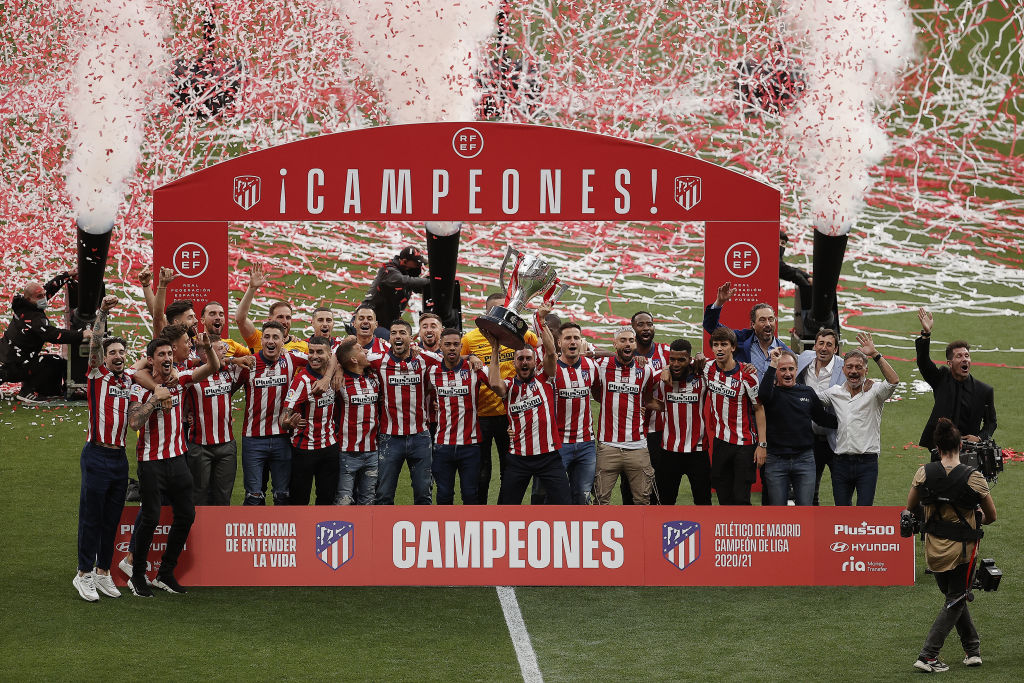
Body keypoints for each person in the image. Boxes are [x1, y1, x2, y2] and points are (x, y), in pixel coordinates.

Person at [125, 332, 220, 597]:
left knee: (187, 515)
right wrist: (155, 398)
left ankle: (165, 573)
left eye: (169, 354)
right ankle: (138, 575)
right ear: (151, 361)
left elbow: (213, 367)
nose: (167, 359)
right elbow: (134, 422)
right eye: (162, 355)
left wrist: (206, 348)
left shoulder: (180, 379)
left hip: (178, 459)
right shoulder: (139, 387)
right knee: (151, 518)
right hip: (151, 462)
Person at [907, 419, 997, 672]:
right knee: (956, 599)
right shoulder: (974, 478)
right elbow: (991, 517)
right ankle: (928, 656)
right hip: (963, 550)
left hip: (933, 550)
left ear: (937, 446)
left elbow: (910, 507)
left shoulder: (923, 472)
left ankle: (972, 649)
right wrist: (974, 515)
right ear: (960, 445)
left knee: (954, 597)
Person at [73, 295, 131, 602]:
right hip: (96, 454)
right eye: (113, 353)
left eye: (122, 352)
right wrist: (102, 314)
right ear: (105, 358)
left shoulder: (129, 382)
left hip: (119, 457)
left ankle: (103, 572)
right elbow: (94, 343)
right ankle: (83, 574)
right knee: (91, 517)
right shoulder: (98, 376)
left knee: (112, 519)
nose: (118, 356)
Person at [461, 292, 540, 504]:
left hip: (512, 414)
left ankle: (507, 512)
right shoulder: (469, 339)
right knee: (482, 470)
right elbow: (454, 358)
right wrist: (469, 356)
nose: (499, 317)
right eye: (494, 311)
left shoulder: (519, 334)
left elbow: (539, 344)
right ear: (486, 313)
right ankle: (480, 514)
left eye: (503, 311)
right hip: (483, 414)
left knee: (511, 468)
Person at [482, 323, 570, 505]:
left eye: (528, 359)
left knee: (565, 505)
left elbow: (552, 353)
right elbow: (493, 383)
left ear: (535, 362)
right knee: (506, 507)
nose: (524, 362)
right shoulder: (509, 386)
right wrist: (495, 349)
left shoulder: (545, 379)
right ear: (514, 363)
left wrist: (542, 322)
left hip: (549, 455)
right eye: (520, 359)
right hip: (518, 458)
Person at [817, 332, 900, 506]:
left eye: (858, 367)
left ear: (866, 370)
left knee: (865, 513)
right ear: (843, 369)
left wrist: (875, 354)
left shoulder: (875, 391)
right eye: (849, 367)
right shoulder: (834, 393)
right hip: (840, 462)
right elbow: (810, 400)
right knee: (842, 513)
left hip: (867, 463)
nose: (853, 371)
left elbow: (893, 381)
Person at [235, 321, 309, 506]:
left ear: (284, 340)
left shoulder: (292, 359)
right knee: (253, 495)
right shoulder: (249, 363)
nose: (270, 341)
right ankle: (253, 535)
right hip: (253, 439)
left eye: (276, 337)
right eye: (266, 337)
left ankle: (281, 535)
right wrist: (231, 360)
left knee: (282, 495)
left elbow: (324, 358)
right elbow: (224, 384)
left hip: (282, 438)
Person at [370, 319, 437, 505]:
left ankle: (422, 532)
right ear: (389, 338)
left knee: (424, 494)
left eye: (402, 333)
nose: (397, 336)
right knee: (383, 494)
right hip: (390, 438)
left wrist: (472, 358)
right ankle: (384, 533)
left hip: (420, 437)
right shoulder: (377, 360)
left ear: (410, 337)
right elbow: (346, 356)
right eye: (393, 333)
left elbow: (450, 357)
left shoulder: (424, 358)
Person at [758, 348, 838, 506]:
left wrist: (850, 419)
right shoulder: (771, 393)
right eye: (782, 370)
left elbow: (822, 419)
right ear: (776, 372)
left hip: (804, 460)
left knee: (805, 511)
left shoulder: (807, 392)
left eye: (790, 369)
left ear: (796, 370)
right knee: (777, 511)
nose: (787, 374)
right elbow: (763, 396)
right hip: (776, 460)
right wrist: (773, 363)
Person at [0, 269, 89, 402]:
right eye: (40, 296)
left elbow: (48, 289)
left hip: (7, 359)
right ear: (29, 299)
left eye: (43, 295)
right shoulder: (33, 317)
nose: (44, 298)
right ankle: (27, 391)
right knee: (52, 362)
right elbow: (53, 335)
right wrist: (81, 335)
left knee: (44, 361)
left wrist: (67, 275)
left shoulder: (25, 305)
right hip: (14, 366)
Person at [915, 308, 996, 452]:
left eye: (967, 355)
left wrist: (980, 438)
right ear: (949, 363)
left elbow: (991, 423)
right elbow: (923, 362)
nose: (965, 359)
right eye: (959, 356)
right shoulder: (941, 378)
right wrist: (926, 334)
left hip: (968, 451)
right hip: (939, 448)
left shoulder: (984, 390)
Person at [592, 326, 657, 505]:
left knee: (643, 500)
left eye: (631, 340)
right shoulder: (601, 367)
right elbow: (597, 393)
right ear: (614, 344)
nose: (627, 344)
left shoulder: (646, 370)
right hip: (608, 447)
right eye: (623, 340)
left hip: (638, 447)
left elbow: (648, 399)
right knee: (600, 500)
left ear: (635, 344)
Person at [703, 326, 766, 505]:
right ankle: (725, 532)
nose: (719, 348)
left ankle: (742, 533)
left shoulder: (747, 375)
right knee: (723, 496)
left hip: (744, 445)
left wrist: (762, 445)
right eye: (716, 345)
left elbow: (759, 409)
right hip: (720, 442)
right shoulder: (707, 368)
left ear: (733, 347)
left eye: (724, 344)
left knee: (741, 498)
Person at [426, 328, 490, 504]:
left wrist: (473, 357)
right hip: (442, 445)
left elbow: (498, 386)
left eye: (456, 345)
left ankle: (471, 531)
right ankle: (445, 530)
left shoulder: (474, 369)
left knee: (470, 494)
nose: (452, 348)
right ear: (440, 346)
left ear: (462, 347)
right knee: (444, 494)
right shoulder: (432, 371)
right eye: (447, 344)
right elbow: (420, 393)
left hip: (470, 445)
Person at [280, 336, 340, 505]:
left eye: (319, 352)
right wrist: (288, 422)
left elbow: (346, 345)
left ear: (329, 354)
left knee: (327, 500)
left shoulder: (332, 371)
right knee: (299, 501)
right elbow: (284, 416)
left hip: (329, 447)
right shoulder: (301, 381)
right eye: (311, 352)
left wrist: (329, 376)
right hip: (304, 449)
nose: (314, 356)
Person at [184, 339, 244, 505]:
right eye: (219, 349)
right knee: (198, 496)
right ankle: (199, 530)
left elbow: (250, 359)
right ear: (203, 353)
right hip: (200, 446)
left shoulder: (228, 371)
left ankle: (218, 530)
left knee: (223, 497)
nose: (225, 351)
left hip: (227, 445)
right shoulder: (191, 375)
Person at [653, 339, 711, 505]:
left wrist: (701, 356)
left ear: (690, 359)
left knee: (703, 502)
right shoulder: (661, 377)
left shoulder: (702, 376)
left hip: (698, 450)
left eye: (681, 360)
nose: (676, 364)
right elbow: (643, 390)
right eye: (672, 359)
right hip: (669, 450)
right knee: (665, 502)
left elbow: (723, 364)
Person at [619, 311, 669, 505]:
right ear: (633, 329)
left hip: (656, 431)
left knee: (655, 479)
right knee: (628, 484)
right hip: (629, 431)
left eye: (649, 324)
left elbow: (687, 361)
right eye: (640, 325)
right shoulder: (624, 355)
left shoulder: (666, 352)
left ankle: (653, 524)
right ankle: (628, 522)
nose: (646, 328)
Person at [795, 327, 844, 505]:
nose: (824, 348)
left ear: (836, 349)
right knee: (809, 491)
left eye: (829, 345)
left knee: (840, 491)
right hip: (809, 439)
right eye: (821, 343)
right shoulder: (805, 359)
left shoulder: (844, 368)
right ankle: (812, 527)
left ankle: (841, 528)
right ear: (815, 345)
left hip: (835, 438)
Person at [703, 281, 790, 377]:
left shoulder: (786, 352)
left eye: (771, 319)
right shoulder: (741, 339)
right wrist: (719, 302)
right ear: (753, 324)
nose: (768, 324)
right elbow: (711, 326)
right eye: (762, 320)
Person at [552, 322, 598, 504]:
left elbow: (600, 393)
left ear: (581, 341)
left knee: (582, 494)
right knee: (556, 495)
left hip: (586, 444)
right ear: (559, 343)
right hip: (558, 444)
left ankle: (581, 531)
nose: (573, 342)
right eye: (568, 338)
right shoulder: (550, 369)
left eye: (576, 338)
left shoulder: (591, 366)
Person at [333, 336, 381, 505]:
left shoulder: (374, 378)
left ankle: (365, 532)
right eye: (361, 350)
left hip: (372, 451)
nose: (366, 351)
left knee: (368, 501)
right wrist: (338, 367)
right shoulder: (339, 383)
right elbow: (330, 356)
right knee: (344, 501)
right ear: (353, 359)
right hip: (347, 452)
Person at [235, 262, 309, 354]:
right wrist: (252, 288)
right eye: (280, 317)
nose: (285, 321)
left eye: (288, 317)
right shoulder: (259, 339)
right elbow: (240, 319)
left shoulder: (302, 346)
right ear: (270, 319)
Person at [361, 246, 430, 333]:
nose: (419, 266)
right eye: (416, 263)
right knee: (391, 339)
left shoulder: (406, 272)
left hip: (385, 323)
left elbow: (417, 287)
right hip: (367, 321)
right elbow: (403, 281)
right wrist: (428, 281)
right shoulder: (388, 270)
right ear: (404, 261)